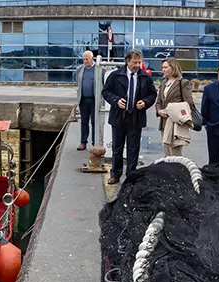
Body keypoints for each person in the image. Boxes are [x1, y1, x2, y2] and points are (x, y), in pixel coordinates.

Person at [102, 49, 157, 184]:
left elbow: (152, 95)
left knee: (133, 149)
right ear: (127, 61)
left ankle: (131, 175)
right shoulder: (115, 76)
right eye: (135, 62)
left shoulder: (145, 77)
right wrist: (115, 100)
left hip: (135, 118)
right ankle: (115, 174)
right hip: (119, 117)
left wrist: (145, 102)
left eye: (139, 62)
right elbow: (106, 91)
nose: (137, 65)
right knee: (117, 148)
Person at [155, 57, 195, 156]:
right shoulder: (163, 83)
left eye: (165, 67)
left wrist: (171, 110)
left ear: (173, 68)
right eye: (162, 67)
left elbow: (189, 103)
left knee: (175, 154)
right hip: (164, 122)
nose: (163, 70)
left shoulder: (183, 82)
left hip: (176, 123)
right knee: (166, 153)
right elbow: (158, 102)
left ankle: (177, 171)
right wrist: (159, 111)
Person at [75, 51, 105, 151]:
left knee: (94, 122)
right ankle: (83, 142)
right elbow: (78, 83)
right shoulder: (79, 69)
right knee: (84, 122)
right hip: (83, 100)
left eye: (86, 59)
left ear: (92, 59)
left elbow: (104, 84)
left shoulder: (100, 69)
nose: (85, 61)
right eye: (83, 59)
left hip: (94, 100)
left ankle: (94, 142)